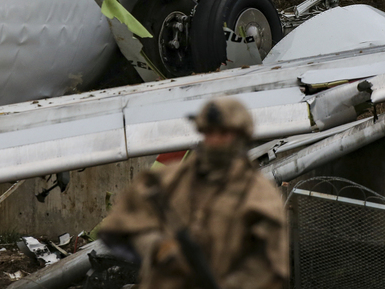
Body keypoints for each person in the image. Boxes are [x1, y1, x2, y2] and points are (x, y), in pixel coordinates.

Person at [98, 97, 288, 289]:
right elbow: (123, 223)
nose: (215, 141)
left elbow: (269, 266)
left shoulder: (260, 196)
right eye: (209, 133)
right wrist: (156, 246)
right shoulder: (169, 180)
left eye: (223, 134)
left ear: (241, 136)